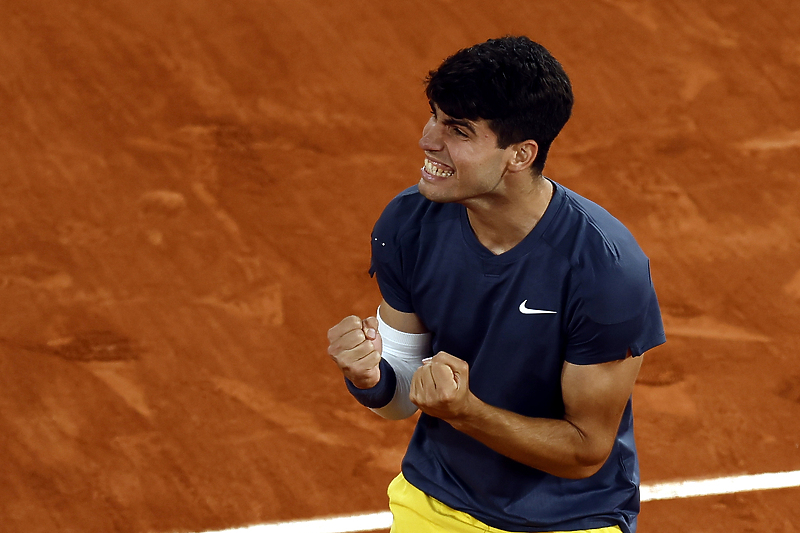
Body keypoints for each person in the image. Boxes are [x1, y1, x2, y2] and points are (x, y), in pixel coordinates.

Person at [326, 35, 665, 533]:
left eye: (458, 130)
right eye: (435, 117)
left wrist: (467, 413)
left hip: (569, 520)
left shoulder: (604, 269)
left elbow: (584, 451)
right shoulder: (408, 223)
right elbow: (402, 395)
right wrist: (370, 377)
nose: (428, 140)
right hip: (436, 503)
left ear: (520, 155)